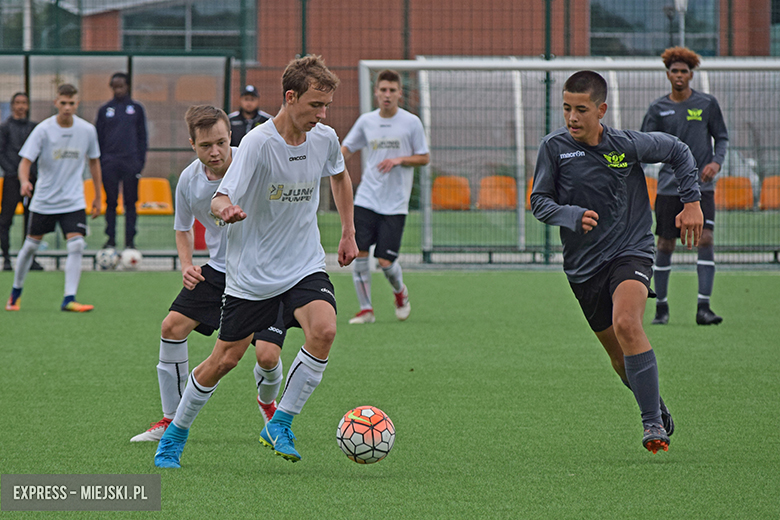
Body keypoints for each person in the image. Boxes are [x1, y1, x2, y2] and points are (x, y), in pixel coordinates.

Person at [154, 55, 358, 468]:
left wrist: (349, 231)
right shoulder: (258, 143)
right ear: (290, 96)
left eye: (327, 106)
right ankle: (175, 434)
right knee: (224, 360)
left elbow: (338, 175)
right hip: (253, 276)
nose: (323, 114)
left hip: (303, 264)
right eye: (316, 105)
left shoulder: (325, 138)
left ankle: (279, 421)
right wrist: (225, 208)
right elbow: (220, 195)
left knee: (324, 329)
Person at [530, 70, 703, 453]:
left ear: (601, 109)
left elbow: (677, 149)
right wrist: (570, 215)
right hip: (582, 268)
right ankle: (653, 402)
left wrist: (692, 202)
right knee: (617, 355)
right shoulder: (554, 148)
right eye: (566, 108)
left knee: (628, 323)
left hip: (631, 251)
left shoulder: (626, 145)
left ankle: (651, 424)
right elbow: (539, 201)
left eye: (581, 109)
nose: (572, 118)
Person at [130, 105, 287, 442]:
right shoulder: (188, 180)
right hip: (219, 270)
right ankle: (169, 420)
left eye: (221, 142)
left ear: (231, 137)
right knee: (171, 327)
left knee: (267, 355)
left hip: (265, 273)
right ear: (192, 144)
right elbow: (182, 228)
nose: (215, 152)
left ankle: (268, 403)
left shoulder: (253, 163)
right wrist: (187, 265)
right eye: (205, 146)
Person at [641, 47, 729, 326]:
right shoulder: (658, 108)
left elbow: (722, 138)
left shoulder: (707, 103)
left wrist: (716, 162)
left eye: (684, 71)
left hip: (701, 188)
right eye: (674, 71)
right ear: (667, 74)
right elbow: (643, 145)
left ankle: (704, 308)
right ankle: (662, 309)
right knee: (665, 244)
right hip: (668, 188)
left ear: (691, 74)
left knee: (705, 239)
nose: (679, 75)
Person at [341, 69, 430, 324]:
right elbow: (346, 149)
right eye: (383, 90)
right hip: (367, 198)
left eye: (392, 90)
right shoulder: (366, 121)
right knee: (359, 253)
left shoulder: (411, 122)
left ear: (400, 93)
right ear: (376, 93)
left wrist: (400, 159)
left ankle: (400, 292)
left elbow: (424, 157)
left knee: (385, 261)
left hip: (395, 203)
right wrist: (326, 164)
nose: (387, 95)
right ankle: (366, 309)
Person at [5, 84, 102, 312]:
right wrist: (25, 181)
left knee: (77, 244)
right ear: (56, 103)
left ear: (77, 104)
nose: (67, 107)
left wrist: (98, 196)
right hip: (45, 200)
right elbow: (25, 162)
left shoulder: (87, 130)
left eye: (71, 103)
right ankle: (15, 292)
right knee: (30, 247)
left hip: (73, 200)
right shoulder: (43, 129)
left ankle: (69, 298)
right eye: (63, 103)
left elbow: (94, 162)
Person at [95, 72, 148, 249]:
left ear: (127, 86)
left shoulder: (136, 109)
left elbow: (142, 137)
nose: (118, 90)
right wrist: (102, 161)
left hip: (130, 163)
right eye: (115, 86)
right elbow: (99, 138)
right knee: (110, 202)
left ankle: (130, 242)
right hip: (110, 163)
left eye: (121, 86)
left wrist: (139, 162)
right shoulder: (105, 110)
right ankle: (110, 240)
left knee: (130, 203)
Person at [0, 92, 43, 272]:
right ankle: (7, 258)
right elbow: (1, 153)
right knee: (5, 220)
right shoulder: (4, 128)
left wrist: (30, 173)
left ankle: (30, 259)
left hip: (32, 181)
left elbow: (39, 152)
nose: (21, 106)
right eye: (17, 103)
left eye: (24, 103)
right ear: (12, 106)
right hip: (11, 180)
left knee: (31, 220)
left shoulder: (35, 128)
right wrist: (16, 172)